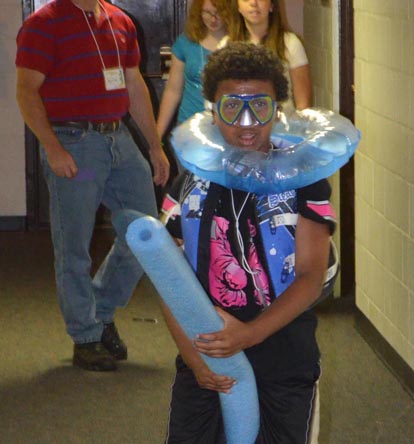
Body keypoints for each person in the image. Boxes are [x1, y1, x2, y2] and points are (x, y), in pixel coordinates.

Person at [151, 41, 336, 444]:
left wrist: (249, 332)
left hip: (283, 356)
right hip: (206, 354)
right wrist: (194, 353)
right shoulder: (190, 174)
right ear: (215, 107)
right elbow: (167, 272)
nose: (249, 120)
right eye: (234, 105)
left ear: (278, 107)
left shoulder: (305, 172)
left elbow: (312, 274)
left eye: (261, 105)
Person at [15, 0, 170, 372]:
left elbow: (133, 84)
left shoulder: (120, 21)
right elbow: (26, 91)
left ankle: (100, 311)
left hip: (120, 141)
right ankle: (85, 336)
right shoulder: (44, 23)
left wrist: (153, 146)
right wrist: (52, 147)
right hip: (75, 147)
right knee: (74, 245)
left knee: (146, 234)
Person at [220, 0, 312, 114]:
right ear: (237, 7)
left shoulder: (290, 43)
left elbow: (304, 106)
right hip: (240, 126)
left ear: (272, 5)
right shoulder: (225, 46)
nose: (253, 3)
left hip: (282, 127)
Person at [156, 0, 229, 140]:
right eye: (207, 12)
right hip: (189, 127)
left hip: (228, 128)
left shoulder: (240, 43)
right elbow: (172, 91)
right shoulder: (186, 43)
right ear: (199, 12)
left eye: (219, 13)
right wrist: (157, 136)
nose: (213, 19)